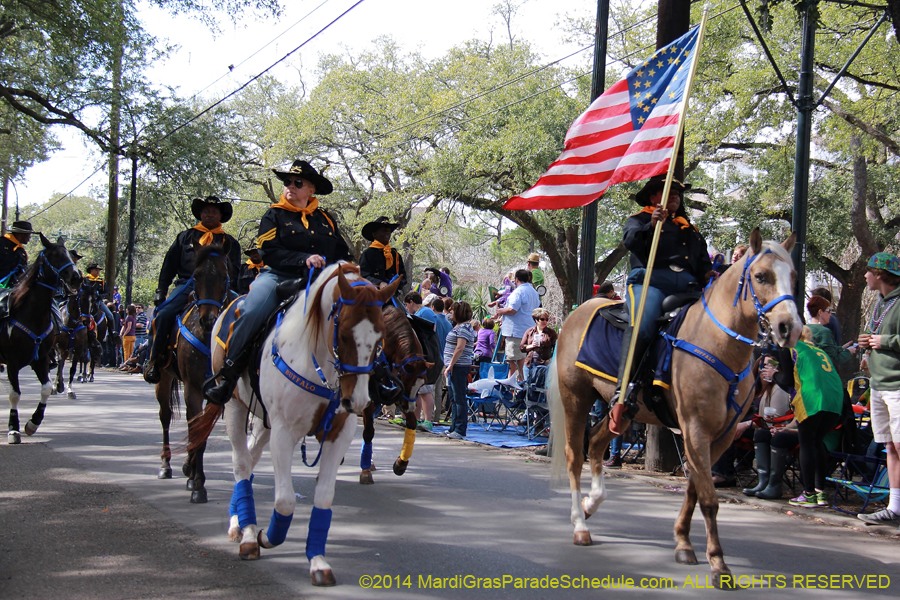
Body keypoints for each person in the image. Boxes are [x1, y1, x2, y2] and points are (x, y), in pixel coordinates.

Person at [204, 160, 352, 405]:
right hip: (277, 276)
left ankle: (370, 378)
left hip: (319, 281)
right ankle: (228, 373)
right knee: (251, 311)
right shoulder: (274, 214)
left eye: (297, 183)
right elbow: (269, 252)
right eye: (287, 182)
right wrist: (304, 259)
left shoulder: (326, 218)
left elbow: (341, 253)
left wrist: (351, 271)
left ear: (311, 190)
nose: (290, 187)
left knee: (359, 312)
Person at [609, 175, 713, 433]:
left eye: (678, 192)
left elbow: (701, 262)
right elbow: (631, 242)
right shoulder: (640, 219)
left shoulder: (688, 227)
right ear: (654, 196)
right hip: (650, 283)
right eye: (670, 191)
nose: (676, 195)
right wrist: (651, 226)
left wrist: (709, 274)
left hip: (689, 287)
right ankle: (623, 391)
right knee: (643, 326)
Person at [144, 195, 241, 384]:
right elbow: (169, 265)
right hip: (186, 283)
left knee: (244, 314)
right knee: (163, 314)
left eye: (214, 212)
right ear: (200, 214)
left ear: (220, 215)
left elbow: (235, 270)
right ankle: (154, 360)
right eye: (206, 211)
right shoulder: (185, 237)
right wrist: (161, 291)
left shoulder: (230, 242)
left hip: (220, 287)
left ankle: (242, 363)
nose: (209, 214)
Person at [856, 253, 900, 527]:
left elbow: (888, 340)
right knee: (890, 447)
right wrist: (866, 345)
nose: (865, 276)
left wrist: (885, 341)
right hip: (878, 384)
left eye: (868, 271)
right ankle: (894, 508)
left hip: (897, 385)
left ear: (881, 274)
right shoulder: (879, 304)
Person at [495, 269, 541, 381]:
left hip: (516, 331)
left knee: (513, 362)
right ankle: (519, 385)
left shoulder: (518, 292)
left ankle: (512, 388)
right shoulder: (534, 292)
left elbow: (512, 309)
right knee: (521, 361)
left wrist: (501, 311)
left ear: (516, 279)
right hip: (528, 330)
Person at [405, 291, 438, 430]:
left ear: (411, 302)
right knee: (418, 390)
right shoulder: (421, 312)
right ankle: (416, 419)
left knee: (425, 390)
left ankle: (428, 421)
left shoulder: (424, 312)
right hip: (420, 356)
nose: (406, 307)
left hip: (427, 355)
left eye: (407, 304)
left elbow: (430, 330)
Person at [443, 301, 476, 440]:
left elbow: (460, 347)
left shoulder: (463, 328)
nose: (450, 313)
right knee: (453, 397)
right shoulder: (458, 327)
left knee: (459, 397)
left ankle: (460, 429)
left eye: (453, 311)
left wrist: (451, 364)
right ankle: (453, 426)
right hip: (454, 366)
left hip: (459, 366)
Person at [806, 296, 856, 368]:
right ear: (820, 312)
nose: (830, 314)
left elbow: (823, 350)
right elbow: (832, 360)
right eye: (828, 310)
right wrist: (849, 352)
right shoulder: (824, 332)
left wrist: (841, 348)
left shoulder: (805, 328)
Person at [359, 216, 407, 291]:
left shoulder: (395, 254)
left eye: (389, 231)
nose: (387, 233)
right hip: (373, 294)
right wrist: (379, 283)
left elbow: (403, 276)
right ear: (374, 234)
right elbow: (363, 275)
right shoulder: (368, 254)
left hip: (392, 295)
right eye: (384, 231)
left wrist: (395, 284)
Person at [520, 307, 557, 382]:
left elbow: (556, 348)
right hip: (530, 364)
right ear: (536, 320)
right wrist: (531, 346)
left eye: (547, 319)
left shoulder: (551, 332)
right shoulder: (530, 331)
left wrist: (551, 360)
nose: (545, 321)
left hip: (545, 365)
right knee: (528, 386)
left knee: (543, 387)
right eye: (542, 319)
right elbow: (521, 347)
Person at [0, 220, 34, 288]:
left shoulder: (21, 251)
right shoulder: (1, 243)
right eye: (28, 234)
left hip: (12, 289)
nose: (30, 237)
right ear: (21, 234)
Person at [84, 263, 115, 332]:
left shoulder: (101, 281)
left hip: (98, 302)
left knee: (110, 315)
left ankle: (112, 333)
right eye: (96, 270)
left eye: (99, 270)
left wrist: (100, 296)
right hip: (86, 302)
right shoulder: (85, 280)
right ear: (91, 271)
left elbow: (107, 293)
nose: (98, 272)